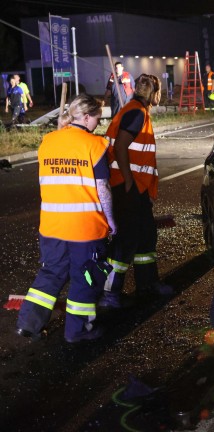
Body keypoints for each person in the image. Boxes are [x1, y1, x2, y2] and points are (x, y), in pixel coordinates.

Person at [16, 94, 116, 343]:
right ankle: (77, 331)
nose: (98, 123)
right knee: (85, 278)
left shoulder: (48, 141)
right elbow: (103, 189)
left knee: (51, 273)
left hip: (51, 225)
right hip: (84, 228)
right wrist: (111, 221)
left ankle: (28, 324)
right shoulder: (96, 145)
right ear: (85, 117)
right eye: (96, 118)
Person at [98, 74, 172, 308]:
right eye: (160, 92)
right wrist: (129, 181)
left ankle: (147, 284)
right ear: (154, 93)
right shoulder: (137, 113)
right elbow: (120, 145)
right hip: (128, 187)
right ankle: (110, 294)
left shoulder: (136, 110)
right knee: (126, 240)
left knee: (146, 235)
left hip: (134, 188)